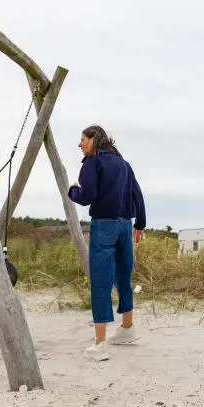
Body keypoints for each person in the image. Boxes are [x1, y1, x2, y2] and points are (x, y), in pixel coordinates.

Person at [68, 125, 146, 362]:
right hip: (125, 225)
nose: (80, 144)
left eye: (82, 139)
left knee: (101, 281)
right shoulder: (124, 163)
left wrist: (72, 191)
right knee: (123, 277)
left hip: (103, 225)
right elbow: (137, 194)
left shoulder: (93, 162)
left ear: (94, 139)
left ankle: (100, 344)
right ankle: (127, 329)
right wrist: (140, 224)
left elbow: (87, 196)